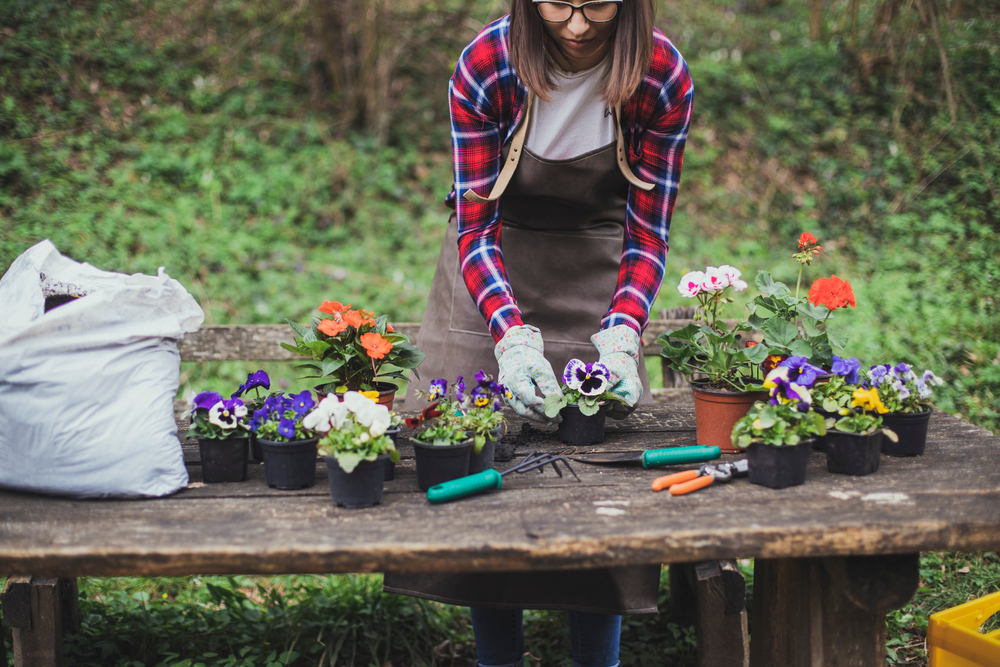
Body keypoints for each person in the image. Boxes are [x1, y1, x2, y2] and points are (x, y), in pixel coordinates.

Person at [387, 0, 693, 665]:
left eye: (598, 4)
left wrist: (622, 329)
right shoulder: (486, 66)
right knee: (476, 458)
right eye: (559, 4)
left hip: (594, 257)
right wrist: (510, 334)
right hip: (491, 266)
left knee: (594, 477)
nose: (578, 25)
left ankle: (597, 658)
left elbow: (647, 231)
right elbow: (474, 226)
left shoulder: (662, 74)